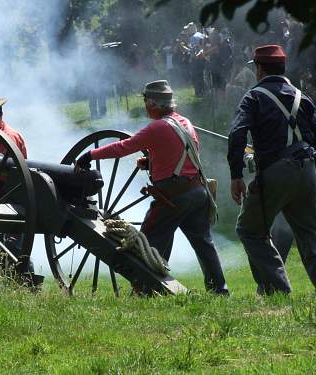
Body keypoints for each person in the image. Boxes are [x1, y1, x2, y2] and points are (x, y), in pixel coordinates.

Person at [76, 80, 229, 294]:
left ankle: (146, 290)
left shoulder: (157, 127)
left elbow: (123, 147)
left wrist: (90, 155)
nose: (146, 106)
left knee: (147, 241)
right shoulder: (185, 122)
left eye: (146, 101)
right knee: (203, 243)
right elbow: (183, 157)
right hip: (197, 192)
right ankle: (219, 290)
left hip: (173, 197)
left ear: (153, 104)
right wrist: (151, 162)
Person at [228, 44, 316, 295]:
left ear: (259, 69)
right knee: (311, 238)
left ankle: (276, 290)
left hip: (277, 171)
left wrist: (236, 175)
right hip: (308, 169)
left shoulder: (253, 96)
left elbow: (237, 134)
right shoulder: (303, 98)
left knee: (249, 229)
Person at [0, 95, 43, 288]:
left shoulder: (9, 137)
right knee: (3, 245)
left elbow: (12, 172)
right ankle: (12, 285)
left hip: (13, 195)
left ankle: (28, 285)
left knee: (11, 244)